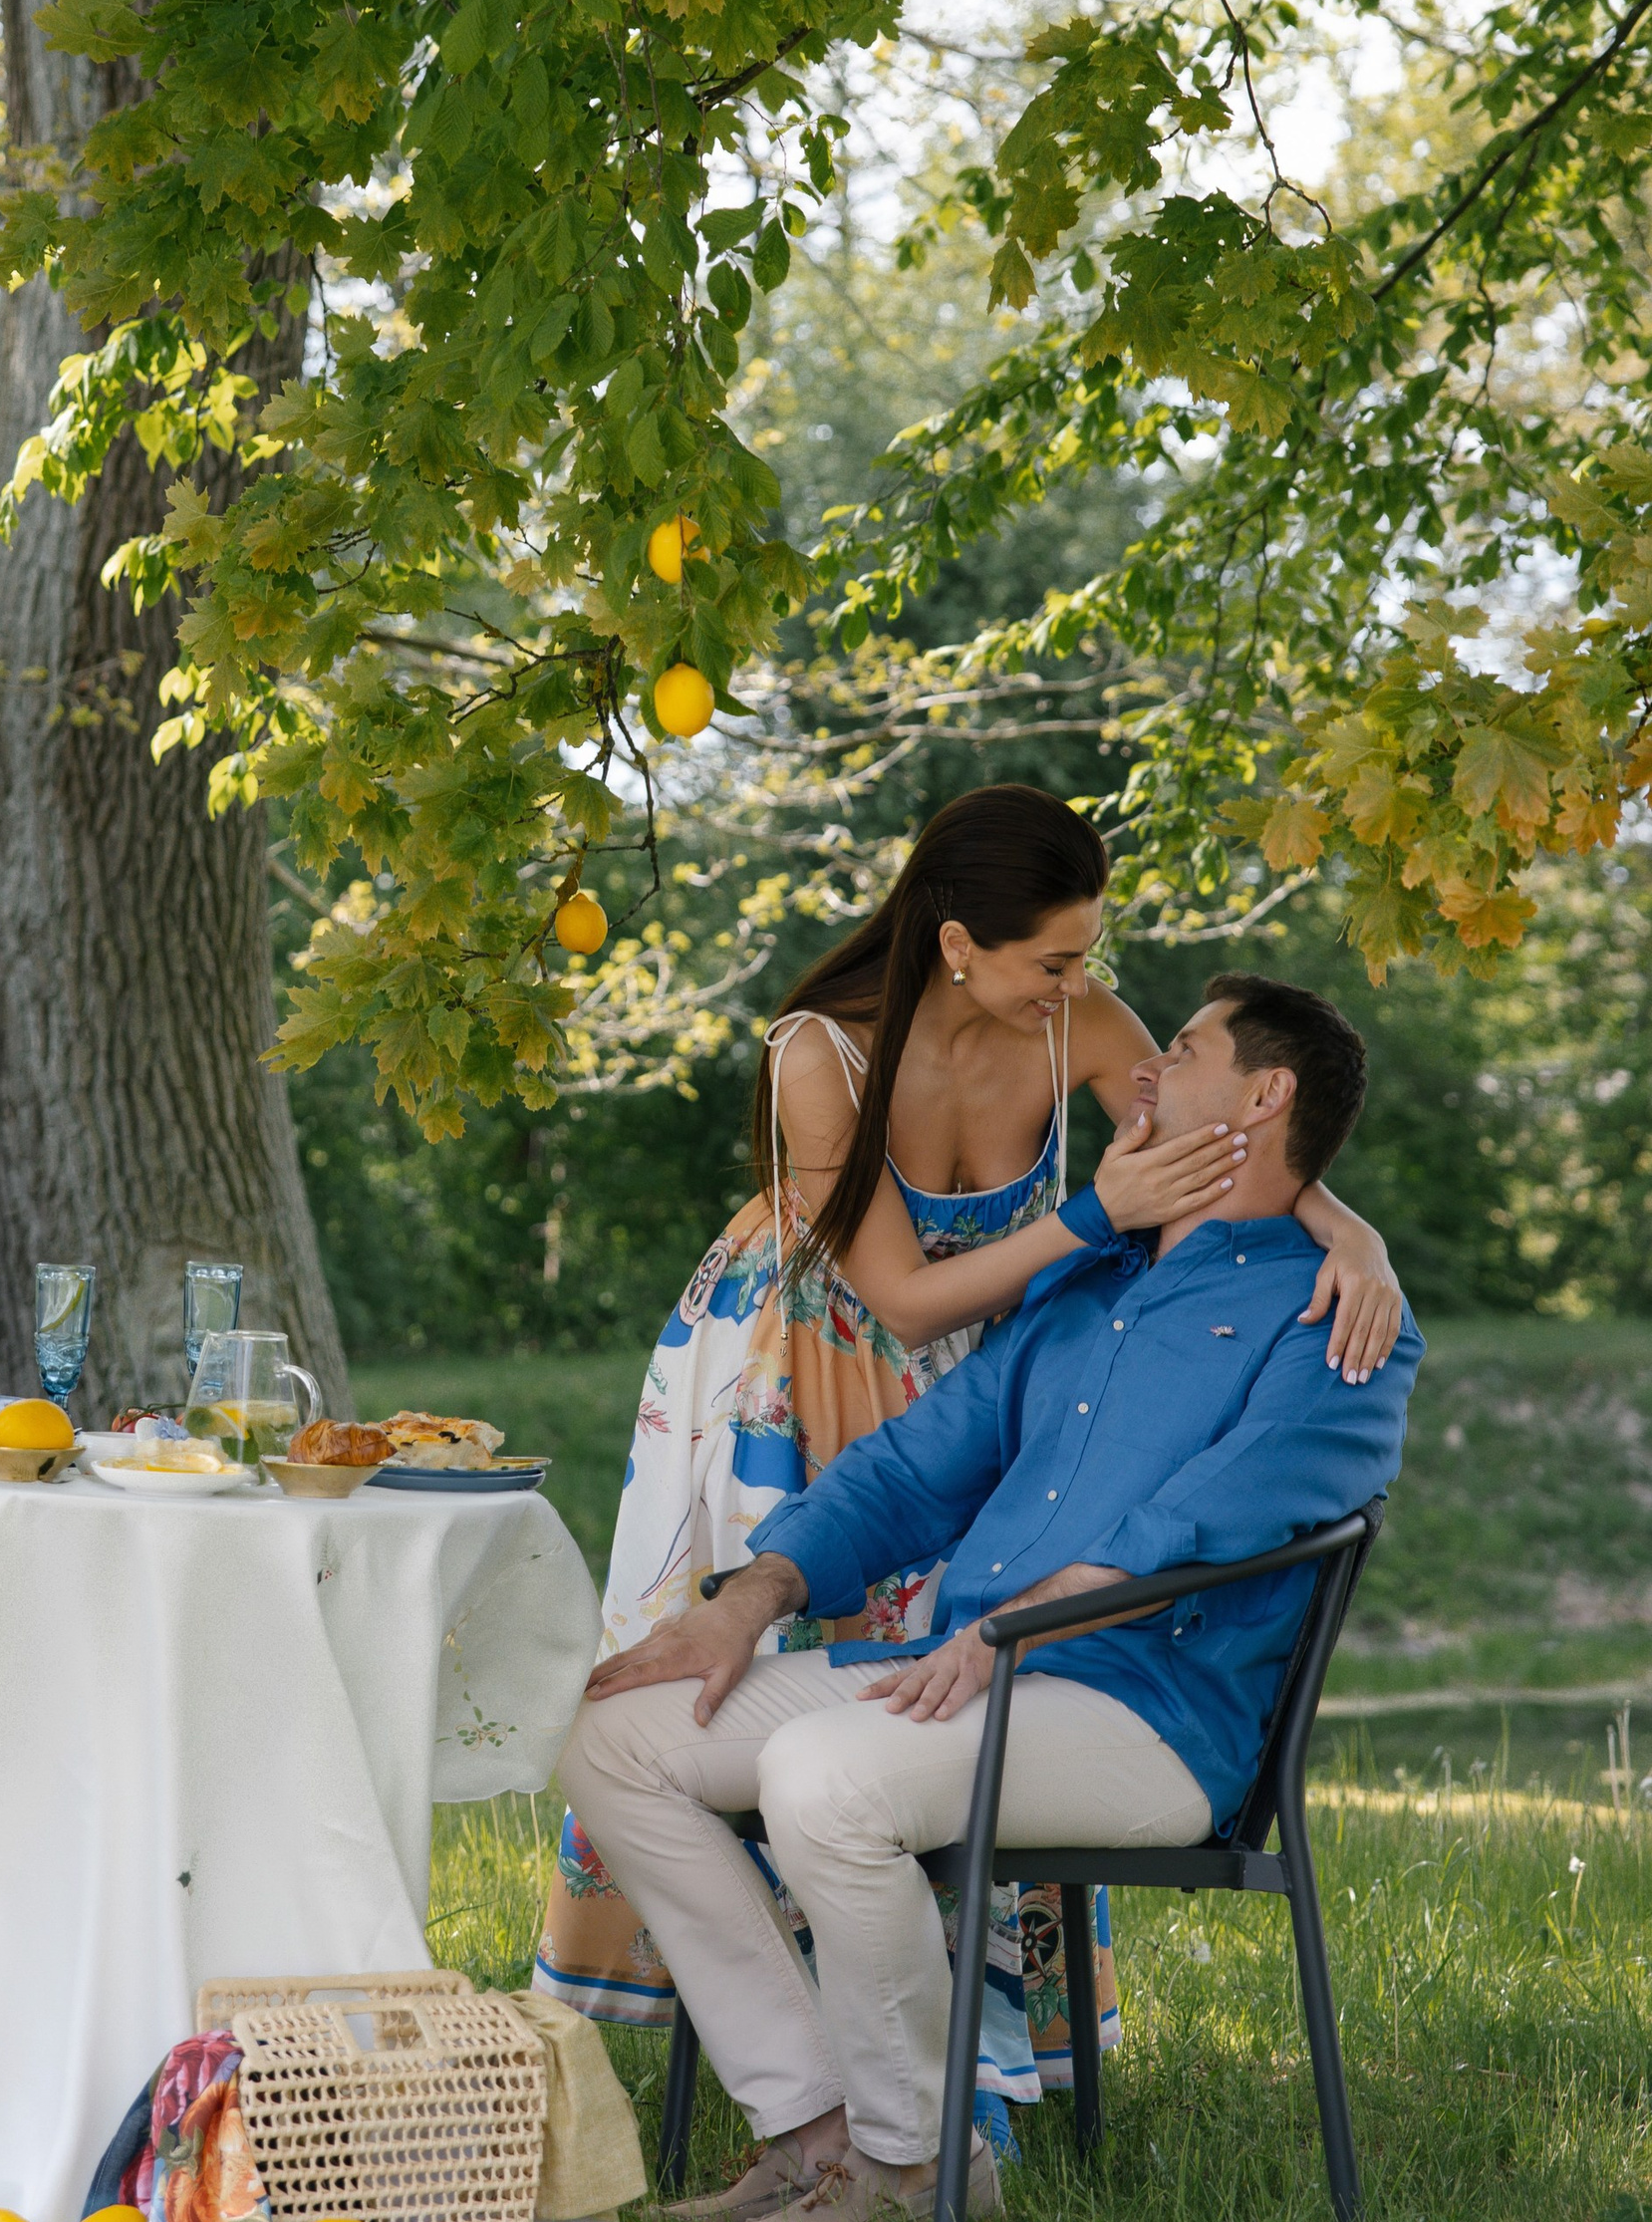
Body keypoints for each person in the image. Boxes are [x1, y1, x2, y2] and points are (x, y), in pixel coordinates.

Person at [533, 784, 1404, 2107]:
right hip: (814, 1367)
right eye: (1055, 960)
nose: (1130, 1050)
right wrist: (751, 1594)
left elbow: (1202, 1514)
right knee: (615, 1738)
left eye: (1173, 1044)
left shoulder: (1330, 1323)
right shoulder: (1074, 1278)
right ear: (957, 943)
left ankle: (917, 2143)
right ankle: (815, 2118)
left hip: (1132, 1693)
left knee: (831, 1773)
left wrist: (1354, 1232)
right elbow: (910, 1431)